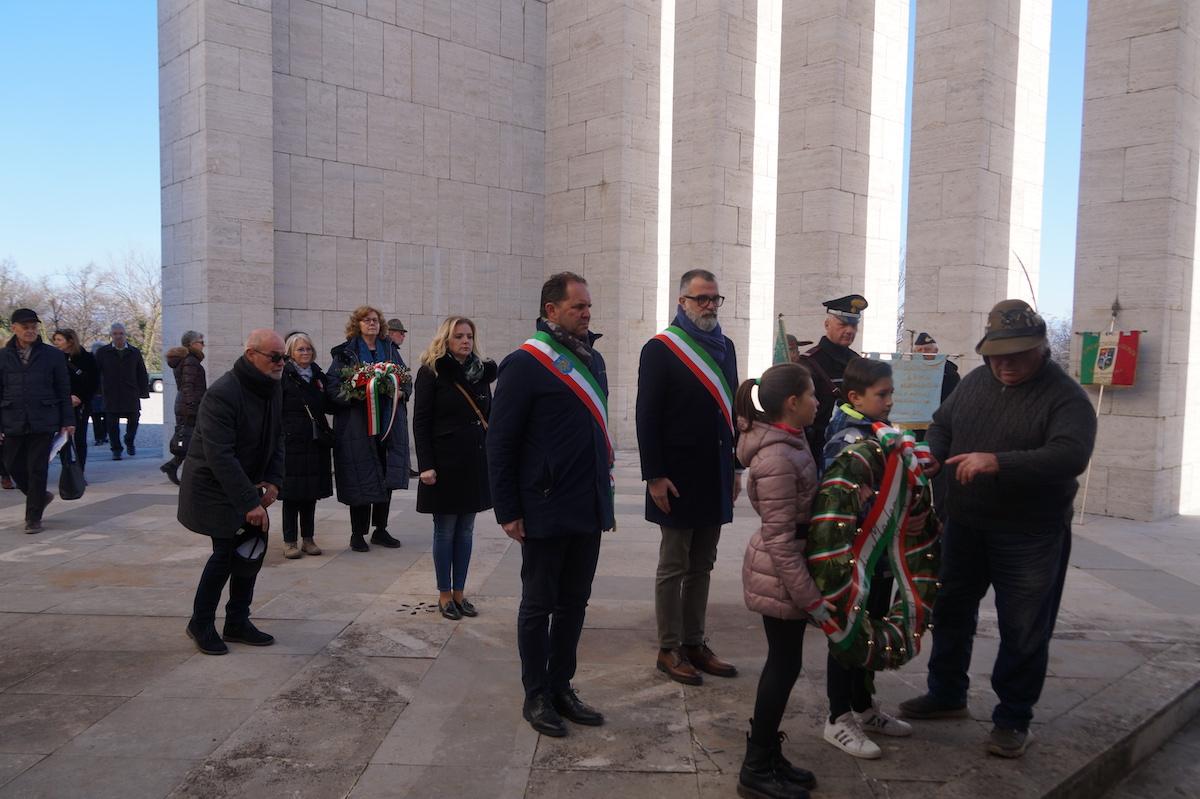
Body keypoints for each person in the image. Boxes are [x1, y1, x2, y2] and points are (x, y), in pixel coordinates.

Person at [899, 300, 1097, 758]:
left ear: (1041, 348)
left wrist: (997, 463)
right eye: (996, 354)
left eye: (1016, 354)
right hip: (964, 524)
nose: (1004, 364)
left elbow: (1070, 455)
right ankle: (946, 694)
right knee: (950, 609)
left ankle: (1013, 718)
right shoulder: (974, 382)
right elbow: (942, 425)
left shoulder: (1066, 397)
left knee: (1024, 626)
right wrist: (933, 456)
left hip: (1028, 533)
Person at [488, 272, 613, 738]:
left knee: (574, 604)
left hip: (587, 504)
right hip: (544, 504)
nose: (586, 314)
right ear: (551, 310)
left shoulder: (594, 360)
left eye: (588, 307)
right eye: (578, 306)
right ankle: (536, 693)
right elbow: (501, 442)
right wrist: (507, 509)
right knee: (538, 605)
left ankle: (562, 686)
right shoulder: (524, 363)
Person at [637, 269, 741, 686]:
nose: (710, 306)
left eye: (715, 298)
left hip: (714, 469)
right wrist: (654, 475)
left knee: (703, 564)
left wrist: (734, 467)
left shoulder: (726, 346)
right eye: (701, 299)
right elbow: (647, 416)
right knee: (674, 563)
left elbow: (730, 410)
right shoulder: (661, 349)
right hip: (675, 475)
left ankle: (695, 643)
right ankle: (668, 647)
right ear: (682, 302)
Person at [734, 362, 826, 799]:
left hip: (787, 568)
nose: (818, 401)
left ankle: (768, 752)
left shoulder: (791, 439)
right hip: (781, 572)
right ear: (792, 403)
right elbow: (781, 539)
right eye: (811, 395)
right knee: (782, 665)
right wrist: (812, 600)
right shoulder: (775, 456)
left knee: (786, 664)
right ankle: (755, 766)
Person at [817, 357, 913, 759]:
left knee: (870, 631)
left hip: (878, 558)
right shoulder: (846, 438)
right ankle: (838, 717)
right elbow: (842, 497)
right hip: (852, 559)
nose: (890, 401)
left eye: (891, 393)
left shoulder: (878, 431)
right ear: (855, 397)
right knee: (848, 636)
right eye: (882, 395)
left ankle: (863, 706)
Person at [179, 329, 286, 656]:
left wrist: (273, 479)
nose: (282, 363)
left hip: (247, 482)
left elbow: (278, 435)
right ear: (251, 354)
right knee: (226, 553)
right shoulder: (224, 393)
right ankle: (201, 622)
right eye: (275, 357)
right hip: (214, 485)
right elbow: (219, 455)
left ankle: (237, 620)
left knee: (251, 549)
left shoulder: (272, 387)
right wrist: (248, 501)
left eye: (284, 357)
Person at [413, 316, 497, 620]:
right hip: (444, 463)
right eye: (459, 336)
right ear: (446, 340)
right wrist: (426, 465)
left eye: (469, 336)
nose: (465, 341)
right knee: (445, 531)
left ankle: (461, 593)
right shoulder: (431, 372)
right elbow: (421, 422)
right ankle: (445, 594)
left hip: (474, 461)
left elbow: (491, 416)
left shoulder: (481, 373)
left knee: (466, 531)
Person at [327, 305, 411, 552]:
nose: (372, 323)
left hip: (389, 424)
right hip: (357, 426)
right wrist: (356, 394)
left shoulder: (390, 351)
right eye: (366, 320)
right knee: (361, 476)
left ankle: (381, 530)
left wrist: (401, 393)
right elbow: (333, 388)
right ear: (357, 324)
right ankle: (357, 533)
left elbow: (406, 379)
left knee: (387, 476)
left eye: (375, 320)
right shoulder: (345, 353)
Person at [0, 309, 73, 533]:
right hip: (12, 418)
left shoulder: (53, 355)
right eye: (25, 327)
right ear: (14, 328)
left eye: (33, 326)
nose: (30, 330)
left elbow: (63, 389)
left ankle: (33, 518)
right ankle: (40, 496)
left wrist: (68, 420)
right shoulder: (3, 356)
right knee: (12, 465)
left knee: (37, 468)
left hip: (43, 419)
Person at [279, 331, 333, 558]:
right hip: (292, 442)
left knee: (310, 494)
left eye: (308, 348)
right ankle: (290, 541)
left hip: (314, 441)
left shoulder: (318, 376)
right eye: (301, 349)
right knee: (291, 496)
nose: (306, 352)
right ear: (290, 352)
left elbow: (330, 404)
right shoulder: (283, 375)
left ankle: (308, 539)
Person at [799, 294, 868, 459]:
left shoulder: (857, 361)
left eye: (854, 325)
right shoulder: (808, 363)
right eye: (843, 324)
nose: (850, 330)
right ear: (827, 324)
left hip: (853, 448)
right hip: (817, 450)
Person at [94, 322, 150, 459]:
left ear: (125, 335)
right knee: (112, 424)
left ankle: (129, 440)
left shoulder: (134, 352)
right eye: (115, 334)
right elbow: (96, 372)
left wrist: (143, 392)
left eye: (121, 333)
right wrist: (97, 391)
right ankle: (116, 449)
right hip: (111, 393)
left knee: (134, 419)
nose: (118, 336)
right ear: (111, 335)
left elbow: (141, 372)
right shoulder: (103, 352)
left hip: (130, 392)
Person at [161, 330, 208, 485]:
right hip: (189, 406)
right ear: (191, 344)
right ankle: (183, 470)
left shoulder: (188, 359)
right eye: (201, 342)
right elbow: (188, 386)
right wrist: (193, 406)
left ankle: (173, 466)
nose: (203, 345)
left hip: (187, 405)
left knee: (190, 439)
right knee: (191, 440)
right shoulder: (190, 360)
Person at [51, 329, 99, 470]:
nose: (56, 343)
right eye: (55, 340)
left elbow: (93, 382)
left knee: (80, 438)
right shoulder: (55, 358)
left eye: (59, 340)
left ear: (70, 341)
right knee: (63, 438)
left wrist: (81, 397)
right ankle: (67, 468)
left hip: (81, 404)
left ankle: (79, 469)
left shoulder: (86, 358)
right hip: (62, 403)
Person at [913, 332, 960, 402]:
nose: (923, 353)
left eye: (927, 349)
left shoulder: (949, 373)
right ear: (915, 352)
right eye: (919, 350)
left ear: (936, 351)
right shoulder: (909, 371)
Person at [89, 342, 107, 447]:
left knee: (101, 417)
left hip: (100, 392)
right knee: (99, 417)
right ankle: (101, 436)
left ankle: (101, 437)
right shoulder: (92, 361)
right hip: (97, 392)